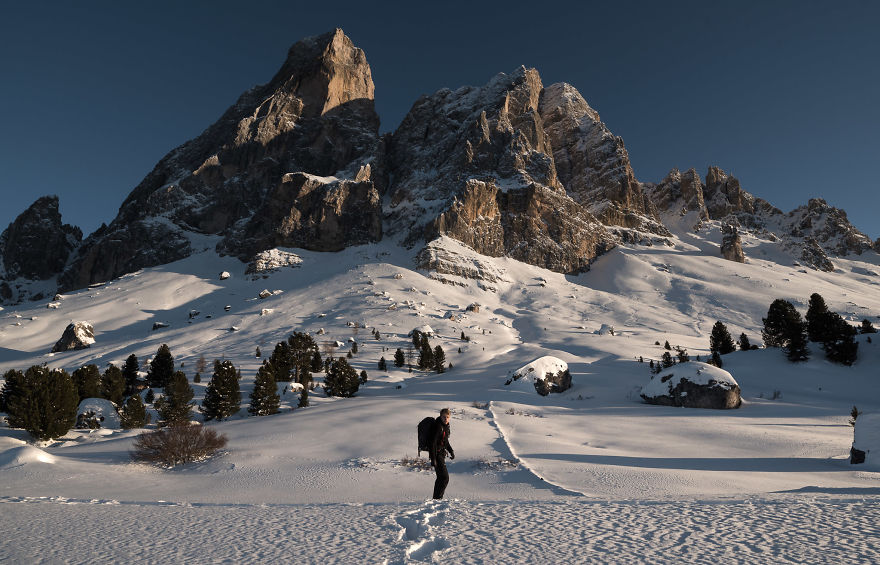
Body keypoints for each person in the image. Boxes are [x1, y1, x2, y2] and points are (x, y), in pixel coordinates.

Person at [430, 407, 455, 499]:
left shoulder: (445, 426)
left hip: (441, 453)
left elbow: (445, 441)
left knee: (440, 478)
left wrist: (451, 451)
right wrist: (433, 459)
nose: (446, 419)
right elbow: (432, 443)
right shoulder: (438, 426)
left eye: (447, 417)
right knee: (445, 478)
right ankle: (438, 498)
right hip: (437, 454)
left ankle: (436, 499)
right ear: (440, 416)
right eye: (444, 417)